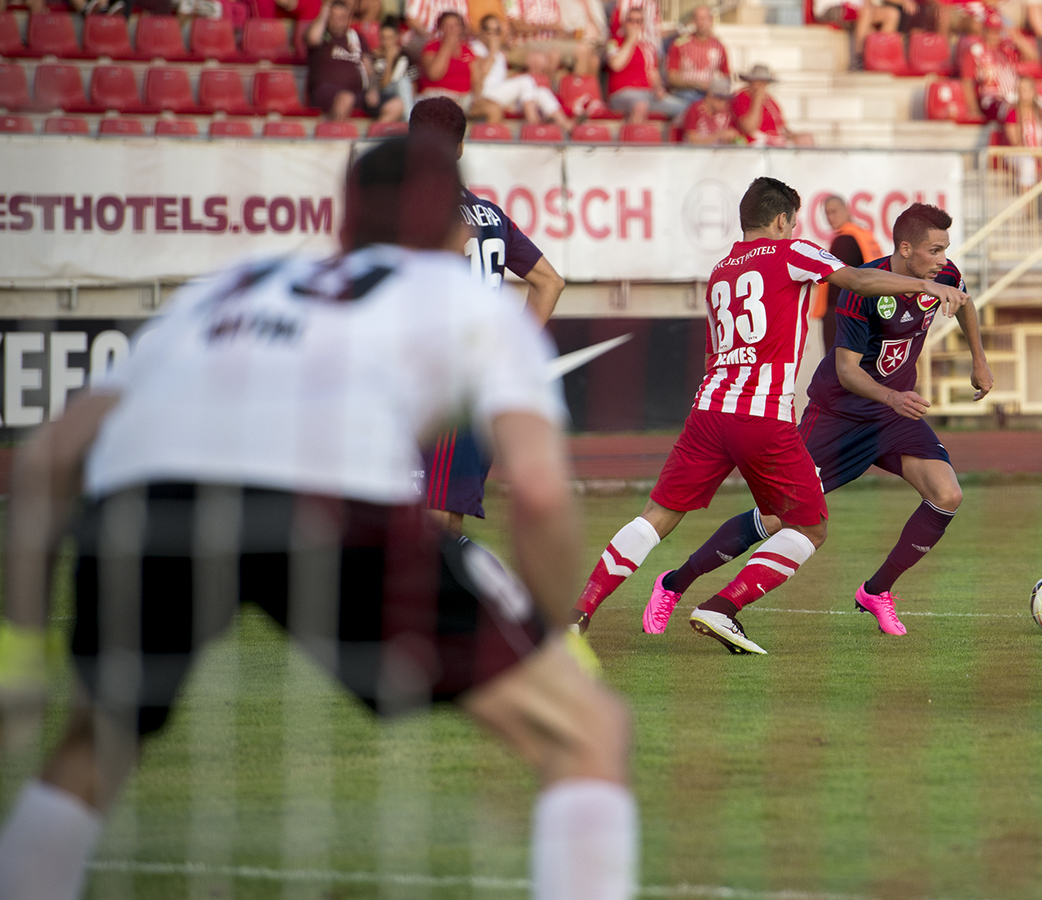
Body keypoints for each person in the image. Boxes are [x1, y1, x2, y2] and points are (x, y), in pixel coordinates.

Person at [0, 136, 639, 898]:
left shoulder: (230, 285)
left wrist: (19, 646)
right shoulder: (467, 297)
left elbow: (47, 460)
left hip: (150, 499)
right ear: (454, 232)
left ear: (342, 220)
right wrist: (548, 634)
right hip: (331, 500)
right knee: (588, 731)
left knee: (91, 748)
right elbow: (537, 490)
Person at [568, 178, 968, 651]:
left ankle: (579, 612)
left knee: (656, 515)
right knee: (809, 525)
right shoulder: (793, 251)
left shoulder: (720, 272)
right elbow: (858, 281)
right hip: (762, 417)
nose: (794, 228)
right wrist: (924, 284)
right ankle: (722, 607)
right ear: (781, 220)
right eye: (793, 221)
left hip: (708, 410)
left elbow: (713, 354)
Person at [410, 98, 567, 532]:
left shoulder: (418, 211)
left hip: (444, 382)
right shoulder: (489, 214)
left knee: (427, 518)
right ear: (460, 147)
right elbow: (550, 282)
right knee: (445, 515)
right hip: (481, 383)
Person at [471, 14, 575, 130]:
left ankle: (568, 126)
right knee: (525, 80)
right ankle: (533, 124)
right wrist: (492, 52)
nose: (493, 36)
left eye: (496, 31)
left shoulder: (499, 53)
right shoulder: (476, 48)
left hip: (500, 94)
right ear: (482, 31)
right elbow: (479, 77)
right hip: (486, 95)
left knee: (542, 92)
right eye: (489, 31)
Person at [307, 0, 407, 121]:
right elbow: (312, 38)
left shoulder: (356, 38)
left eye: (341, 17)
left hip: (357, 94)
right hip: (326, 92)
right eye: (333, 17)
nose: (337, 21)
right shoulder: (322, 35)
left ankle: (374, 133)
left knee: (396, 105)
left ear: (348, 18)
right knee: (346, 99)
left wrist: (372, 89)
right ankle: (335, 131)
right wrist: (324, 13)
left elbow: (370, 70)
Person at [821, 194, 885, 351]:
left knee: (836, 362)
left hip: (844, 313)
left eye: (834, 211)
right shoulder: (864, 235)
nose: (830, 217)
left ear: (847, 209)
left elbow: (838, 282)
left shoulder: (844, 239)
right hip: (870, 309)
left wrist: (830, 316)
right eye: (827, 213)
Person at [607, 4, 689, 123]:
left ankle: (666, 134)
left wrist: (659, 88)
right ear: (625, 22)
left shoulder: (648, 47)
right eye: (631, 21)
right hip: (622, 94)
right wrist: (630, 41)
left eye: (638, 21)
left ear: (643, 25)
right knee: (640, 105)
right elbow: (615, 65)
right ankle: (634, 135)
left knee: (686, 108)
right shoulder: (613, 42)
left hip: (648, 94)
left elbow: (653, 75)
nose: (635, 25)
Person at [732, 64, 811, 145]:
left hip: (776, 142)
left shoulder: (770, 101)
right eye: (757, 81)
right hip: (755, 144)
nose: (761, 85)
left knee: (806, 139)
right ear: (750, 82)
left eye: (764, 82)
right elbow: (749, 128)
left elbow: (781, 127)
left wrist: (795, 136)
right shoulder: (741, 97)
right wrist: (757, 99)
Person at [667, 4, 731, 104]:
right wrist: (697, 84)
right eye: (698, 19)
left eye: (705, 18)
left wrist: (714, 87)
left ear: (711, 21)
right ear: (693, 21)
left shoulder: (719, 46)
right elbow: (672, 77)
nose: (702, 22)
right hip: (685, 93)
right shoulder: (680, 44)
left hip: (709, 94)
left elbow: (726, 76)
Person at [814, 0, 901, 66]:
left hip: (856, 10)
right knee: (866, 14)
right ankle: (858, 58)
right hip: (832, 8)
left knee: (891, 14)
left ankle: (880, 56)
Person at [419, 11, 478, 104]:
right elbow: (433, 75)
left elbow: (475, 79)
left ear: (461, 28)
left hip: (464, 96)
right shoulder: (431, 47)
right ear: (440, 28)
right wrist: (446, 47)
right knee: (452, 105)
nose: (451, 29)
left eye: (455, 25)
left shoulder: (468, 50)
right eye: (446, 25)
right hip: (437, 94)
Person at [372, 17, 418, 117]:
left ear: (397, 37)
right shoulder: (375, 58)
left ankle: (408, 116)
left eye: (390, 38)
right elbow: (382, 86)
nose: (386, 42)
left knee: (404, 82)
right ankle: (409, 119)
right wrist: (389, 60)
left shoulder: (407, 57)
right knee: (402, 82)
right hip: (383, 96)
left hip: (405, 95)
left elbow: (414, 85)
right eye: (383, 38)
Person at [680, 73, 741, 144]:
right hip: (696, 150)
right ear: (709, 96)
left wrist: (731, 138)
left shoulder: (727, 112)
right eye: (720, 98)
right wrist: (719, 135)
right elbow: (692, 140)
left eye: (725, 99)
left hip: (720, 150)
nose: (723, 103)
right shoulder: (695, 109)